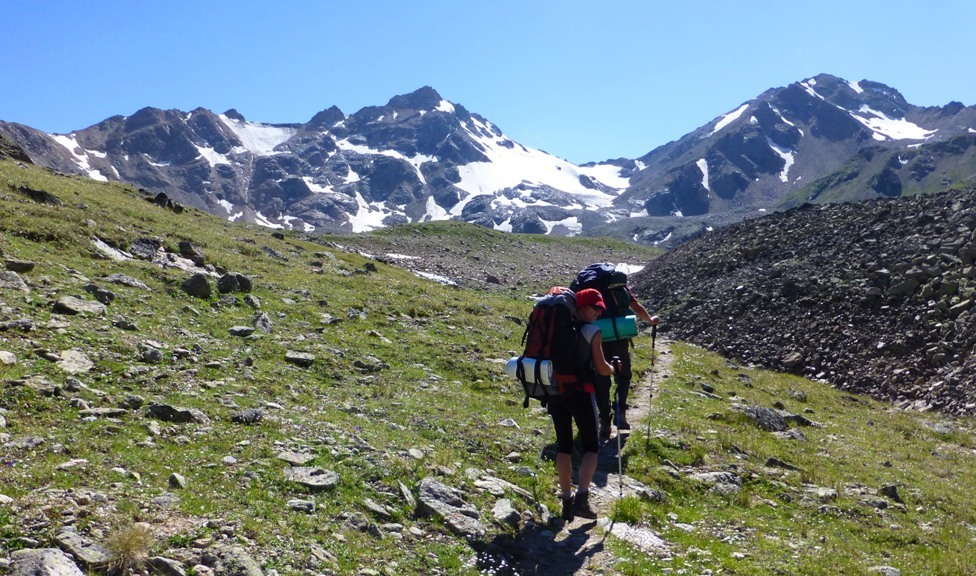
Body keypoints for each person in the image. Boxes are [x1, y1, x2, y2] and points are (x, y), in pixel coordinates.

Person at [547, 288, 617, 522]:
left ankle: (566, 500)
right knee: (590, 447)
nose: (599, 311)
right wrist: (614, 368)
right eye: (595, 307)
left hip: (557, 392)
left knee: (564, 446)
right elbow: (601, 368)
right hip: (581, 393)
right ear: (581, 307)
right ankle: (582, 499)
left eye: (600, 308)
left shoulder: (556, 329)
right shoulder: (592, 331)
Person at [595, 286, 660, 439]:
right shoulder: (619, 288)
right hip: (619, 336)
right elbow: (636, 307)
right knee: (623, 375)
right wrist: (650, 321)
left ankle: (604, 421)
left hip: (597, 338)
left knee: (600, 378)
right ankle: (620, 412)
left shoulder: (591, 287)